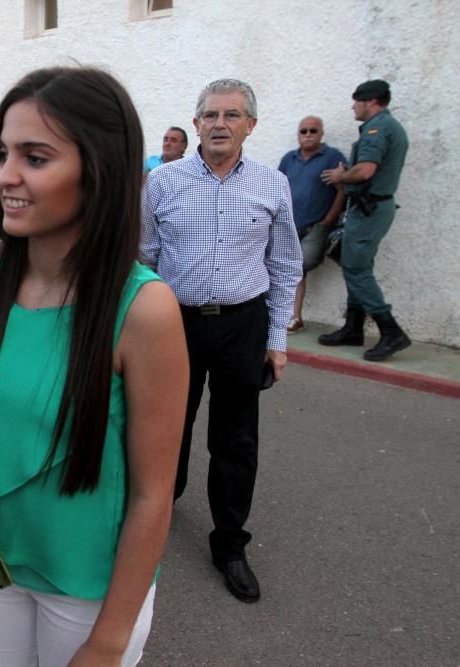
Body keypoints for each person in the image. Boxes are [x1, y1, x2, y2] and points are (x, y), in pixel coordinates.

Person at [0, 66, 189, 666]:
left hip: (89, 589)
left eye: (35, 157)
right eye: (1, 154)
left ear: (97, 170)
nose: (5, 176)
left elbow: (155, 495)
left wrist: (109, 639)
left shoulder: (144, 309)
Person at [140, 78, 301, 603]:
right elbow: (143, 258)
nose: (219, 124)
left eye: (232, 115)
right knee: (168, 428)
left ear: (250, 125)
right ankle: (156, 515)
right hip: (174, 323)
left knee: (235, 440)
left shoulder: (272, 184)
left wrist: (276, 339)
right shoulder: (162, 182)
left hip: (242, 324)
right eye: (210, 115)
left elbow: (284, 264)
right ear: (196, 124)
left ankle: (230, 544)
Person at [319, 79, 410, 361]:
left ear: (370, 101)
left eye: (356, 101)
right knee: (355, 265)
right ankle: (353, 328)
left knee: (356, 269)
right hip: (369, 208)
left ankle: (391, 331)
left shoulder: (378, 128)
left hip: (369, 208)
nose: (353, 106)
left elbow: (365, 171)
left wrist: (340, 176)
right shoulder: (387, 127)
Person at [278, 116, 347, 332]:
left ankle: (293, 315)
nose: (308, 135)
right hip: (289, 225)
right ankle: (292, 317)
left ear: (321, 134)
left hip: (316, 226)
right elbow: (277, 188)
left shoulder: (332, 157)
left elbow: (342, 190)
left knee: (298, 265)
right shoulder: (289, 158)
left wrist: (328, 219)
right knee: (288, 267)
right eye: (304, 131)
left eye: (313, 131)